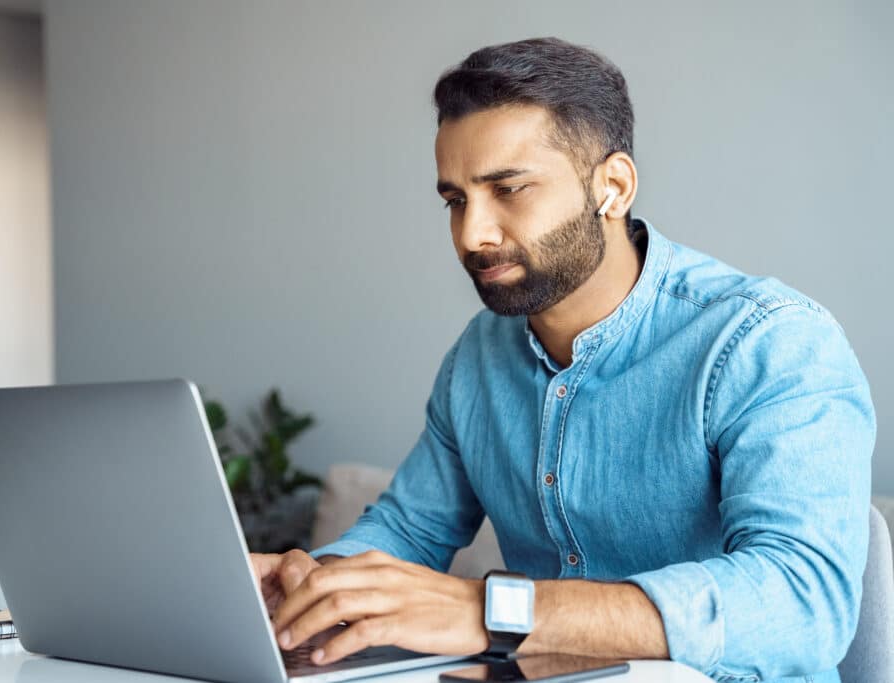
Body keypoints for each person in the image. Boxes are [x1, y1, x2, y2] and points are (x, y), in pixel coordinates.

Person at [253, 37, 875, 683]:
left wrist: (493, 610)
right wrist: (303, 585)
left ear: (612, 186)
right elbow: (409, 528)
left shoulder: (767, 341)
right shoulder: (477, 358)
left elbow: (804, 600)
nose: (472, 234)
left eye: (509, 189)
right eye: (455, 200)